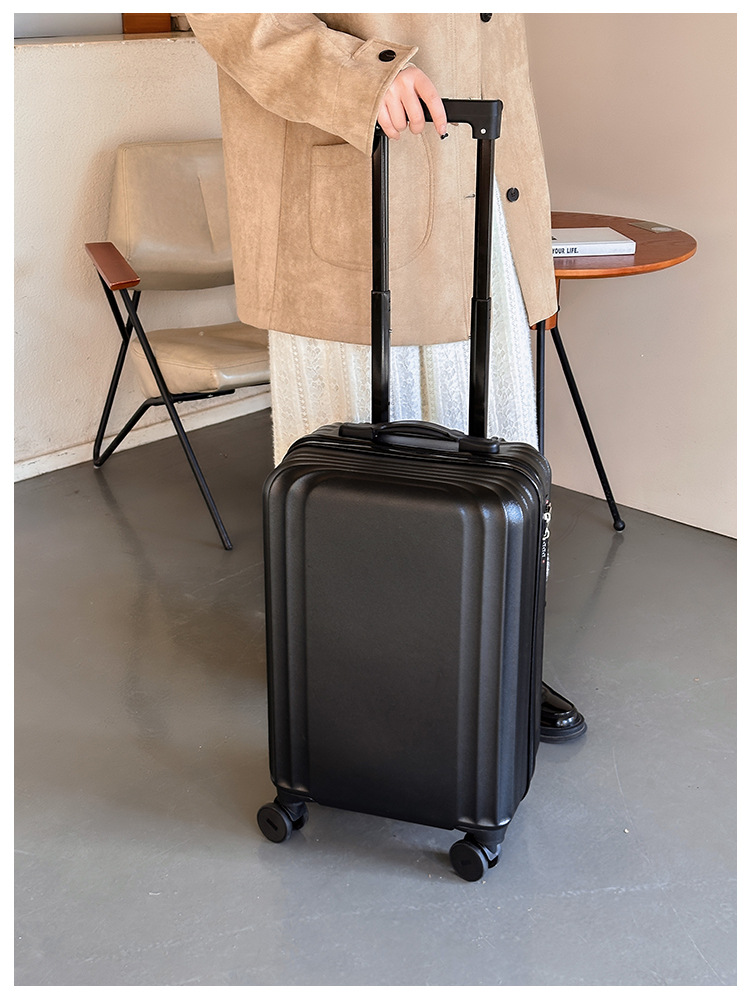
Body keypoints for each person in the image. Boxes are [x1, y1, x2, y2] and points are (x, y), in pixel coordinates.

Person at [187, 13, 586, 742]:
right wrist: (356, 74)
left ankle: (496, 657)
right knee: (358, 461)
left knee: (497, 441)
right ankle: (354, 673)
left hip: (488, 178)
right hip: (360, 180)